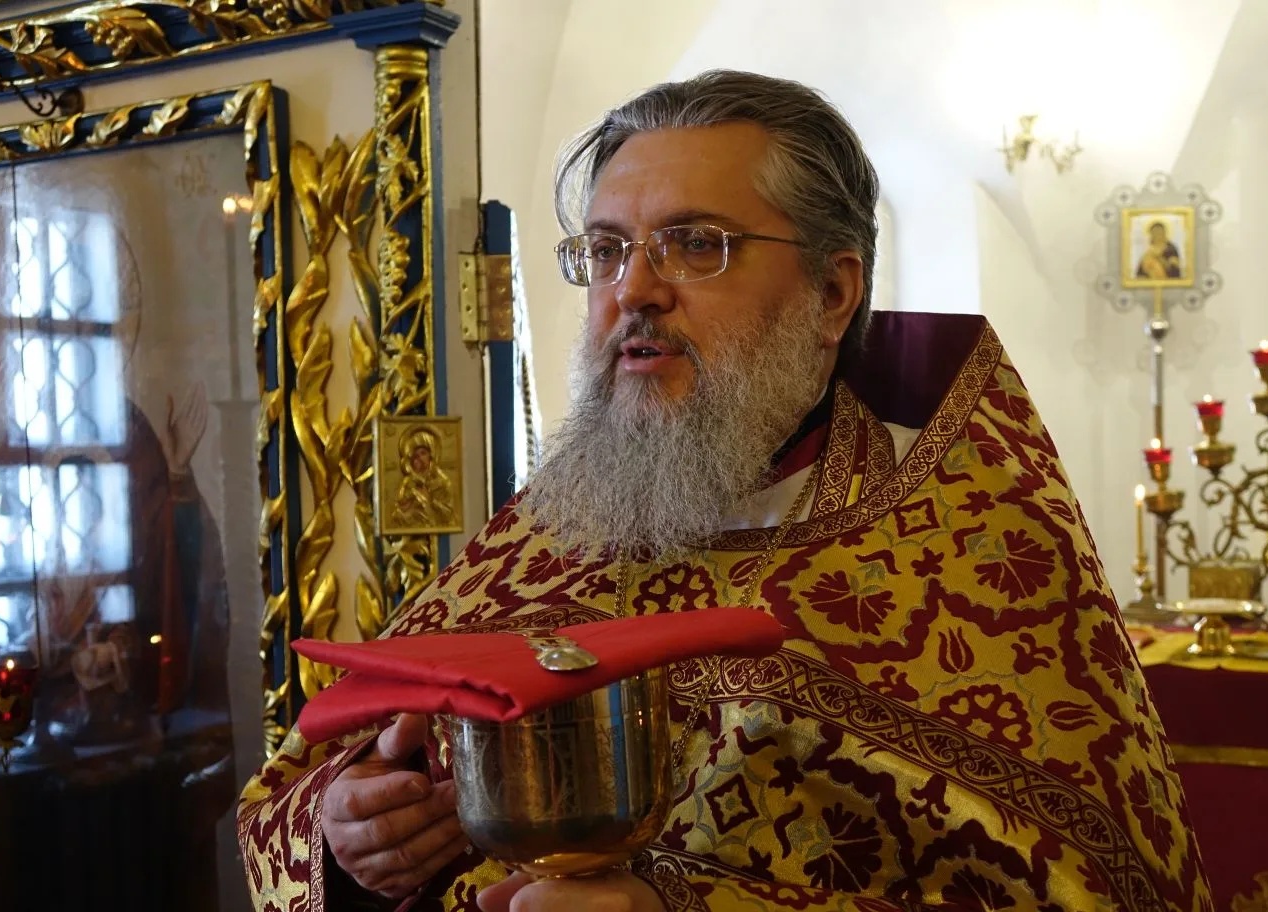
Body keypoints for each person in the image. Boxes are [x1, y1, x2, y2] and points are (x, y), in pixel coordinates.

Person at [238, 70, 1212, 911]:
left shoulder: (977, 553)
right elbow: (286, 804)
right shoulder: (545, 528)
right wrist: (351, 831)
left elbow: (1097, 884)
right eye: (607, 250)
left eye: (696, 244)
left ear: (833, 293)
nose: (634, 291)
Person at [390, 428, 458, 531]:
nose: (420, 458)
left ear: (431, 454)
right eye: (416, 456)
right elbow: (399, 511)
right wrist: (407, 505)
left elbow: (449, 515)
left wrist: (430, 500)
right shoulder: (408, 483)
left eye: (423, 453)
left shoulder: (442, 482)